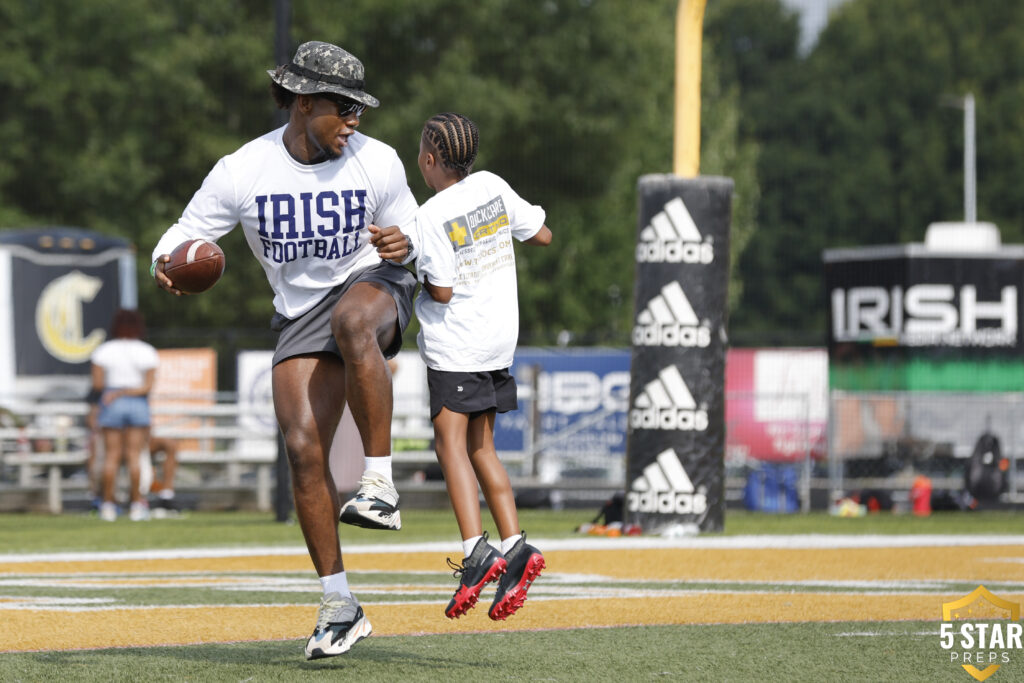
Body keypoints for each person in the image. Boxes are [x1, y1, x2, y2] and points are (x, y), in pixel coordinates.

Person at [152, 40, 416, 660]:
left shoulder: (377, 161)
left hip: (373, 280)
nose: (355, 120)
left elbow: (415, 237)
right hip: (300, 309)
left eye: (360, 108)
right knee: (301, 450)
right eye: (343, 107)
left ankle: (379, 481)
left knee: (354, 323)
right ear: (302, 101)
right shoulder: (243, 169)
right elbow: (183, 235)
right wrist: (169, 262)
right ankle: (338, 604)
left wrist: (405, 243)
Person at [413, 112, 551, 620]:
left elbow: (443, 290)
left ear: (430, 159)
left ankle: (476, 551)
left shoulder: (430, 214)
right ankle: (516, 547)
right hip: (498, 343)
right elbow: (542, 235)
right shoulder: (492, 185)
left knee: (448, 445)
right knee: (482, 446)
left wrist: (416, 278)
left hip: (458, 344)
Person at [89, 309, 159, 522]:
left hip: (112, 401)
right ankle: (137, 505)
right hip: (137, 403)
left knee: (111, 457)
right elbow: (147, 386)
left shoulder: (104, 351)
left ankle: (108, 505)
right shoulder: (147, 351)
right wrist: (128, 391)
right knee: (134, 457)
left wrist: (117, 392)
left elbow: (98, 384)